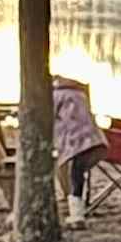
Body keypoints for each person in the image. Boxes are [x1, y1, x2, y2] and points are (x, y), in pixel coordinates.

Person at [48, 75, 108, 223]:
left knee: (73, 171)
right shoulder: (80, 94)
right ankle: (74, 205)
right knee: (76, 172)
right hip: (96, 141)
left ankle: (76, 213)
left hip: (75, 143)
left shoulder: (55, 95)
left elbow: (47, 118)